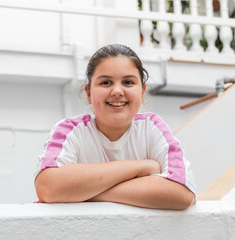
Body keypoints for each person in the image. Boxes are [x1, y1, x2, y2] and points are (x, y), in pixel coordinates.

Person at [34, 44, 196, 210]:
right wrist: (141, 167)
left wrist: (84, 193)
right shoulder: (70, 131)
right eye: (105, 82)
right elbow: (47, 187)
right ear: (89, 93)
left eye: (128, 82)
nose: (117, 91)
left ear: (142, 92)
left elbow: (182, 192)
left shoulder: (152, 127)